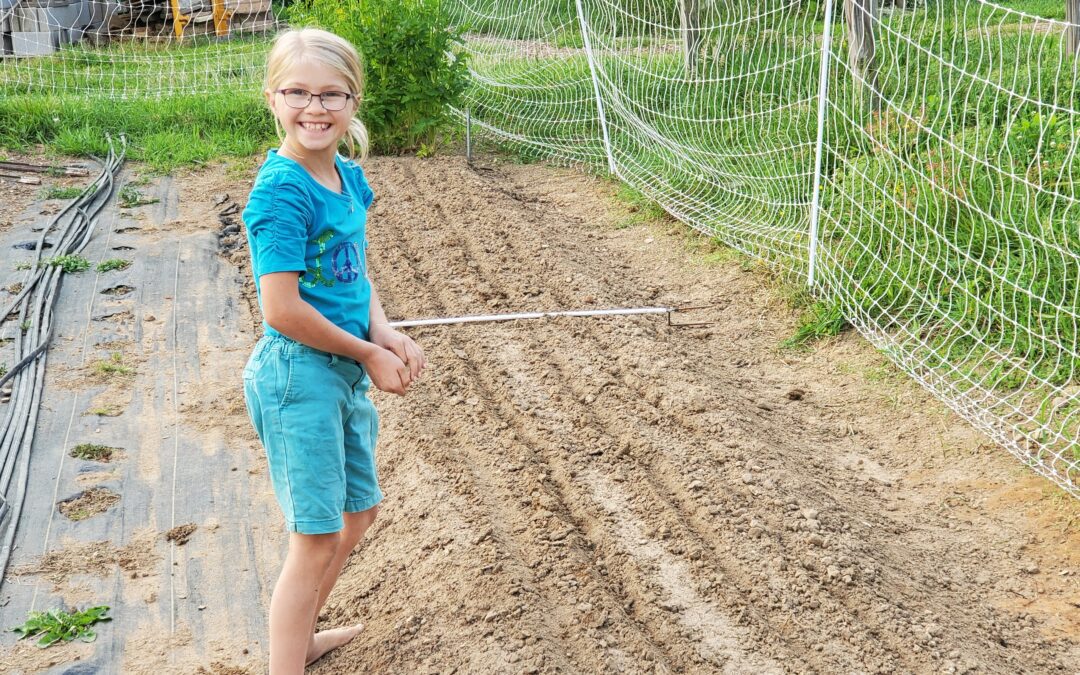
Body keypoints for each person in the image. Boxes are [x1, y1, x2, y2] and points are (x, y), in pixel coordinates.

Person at [240, 27, 425, 673]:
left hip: (340, 369)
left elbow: (354, 275)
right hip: (298, 375)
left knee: (359, 511)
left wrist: (385, 330)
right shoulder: (280, 193)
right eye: (297, 92)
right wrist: (368, 353)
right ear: (272, 97)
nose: (314, 108)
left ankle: (301, 635)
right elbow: (282, 309)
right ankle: (286, 661)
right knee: (315, 534)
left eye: (330, 95)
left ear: (352, 101)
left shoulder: (347, 176)